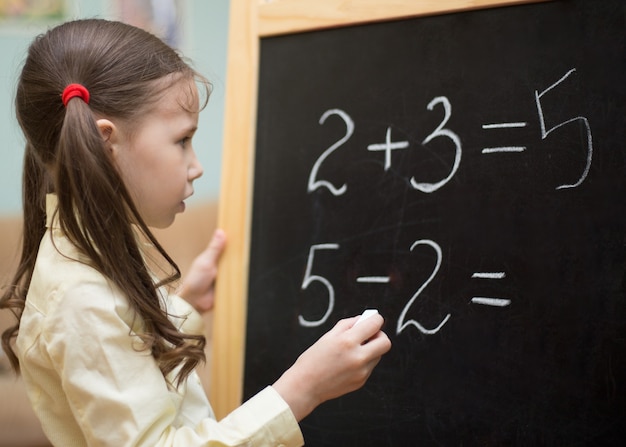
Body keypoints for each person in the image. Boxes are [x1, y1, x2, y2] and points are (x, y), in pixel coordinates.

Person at [0, 18, 391, 446]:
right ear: (106, 143)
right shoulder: (78, 298)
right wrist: (300, 390)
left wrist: (186, 306)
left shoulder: (91, 248)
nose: (196, 165)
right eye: (182, 140)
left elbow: (129, 362)